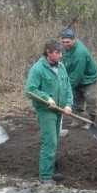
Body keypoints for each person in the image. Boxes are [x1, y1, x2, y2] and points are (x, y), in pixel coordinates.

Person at [25, 40, 73, 184]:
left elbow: (68, 86)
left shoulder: (61, 67)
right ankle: (45, 177)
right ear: (48, 52)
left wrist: (69, 104)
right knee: (50, 141)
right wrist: (47, 98)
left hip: (59, 110)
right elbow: (30, 90)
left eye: (61, 52)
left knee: (55, 140)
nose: (60, 55)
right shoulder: (38, 69)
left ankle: (51, 171)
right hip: (46, 110)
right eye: (57, 53)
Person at [59, 28, 97, 128]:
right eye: (63, 42)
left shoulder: (80, 53)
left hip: (88, 78)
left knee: (90, 99)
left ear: (74, 40)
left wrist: (66, 88)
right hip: (73, 75)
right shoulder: (64, 50)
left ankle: (90, 121)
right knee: (75, 100)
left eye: (68, 42)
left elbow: (77, 75)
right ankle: (77, 120)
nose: (65, 44)